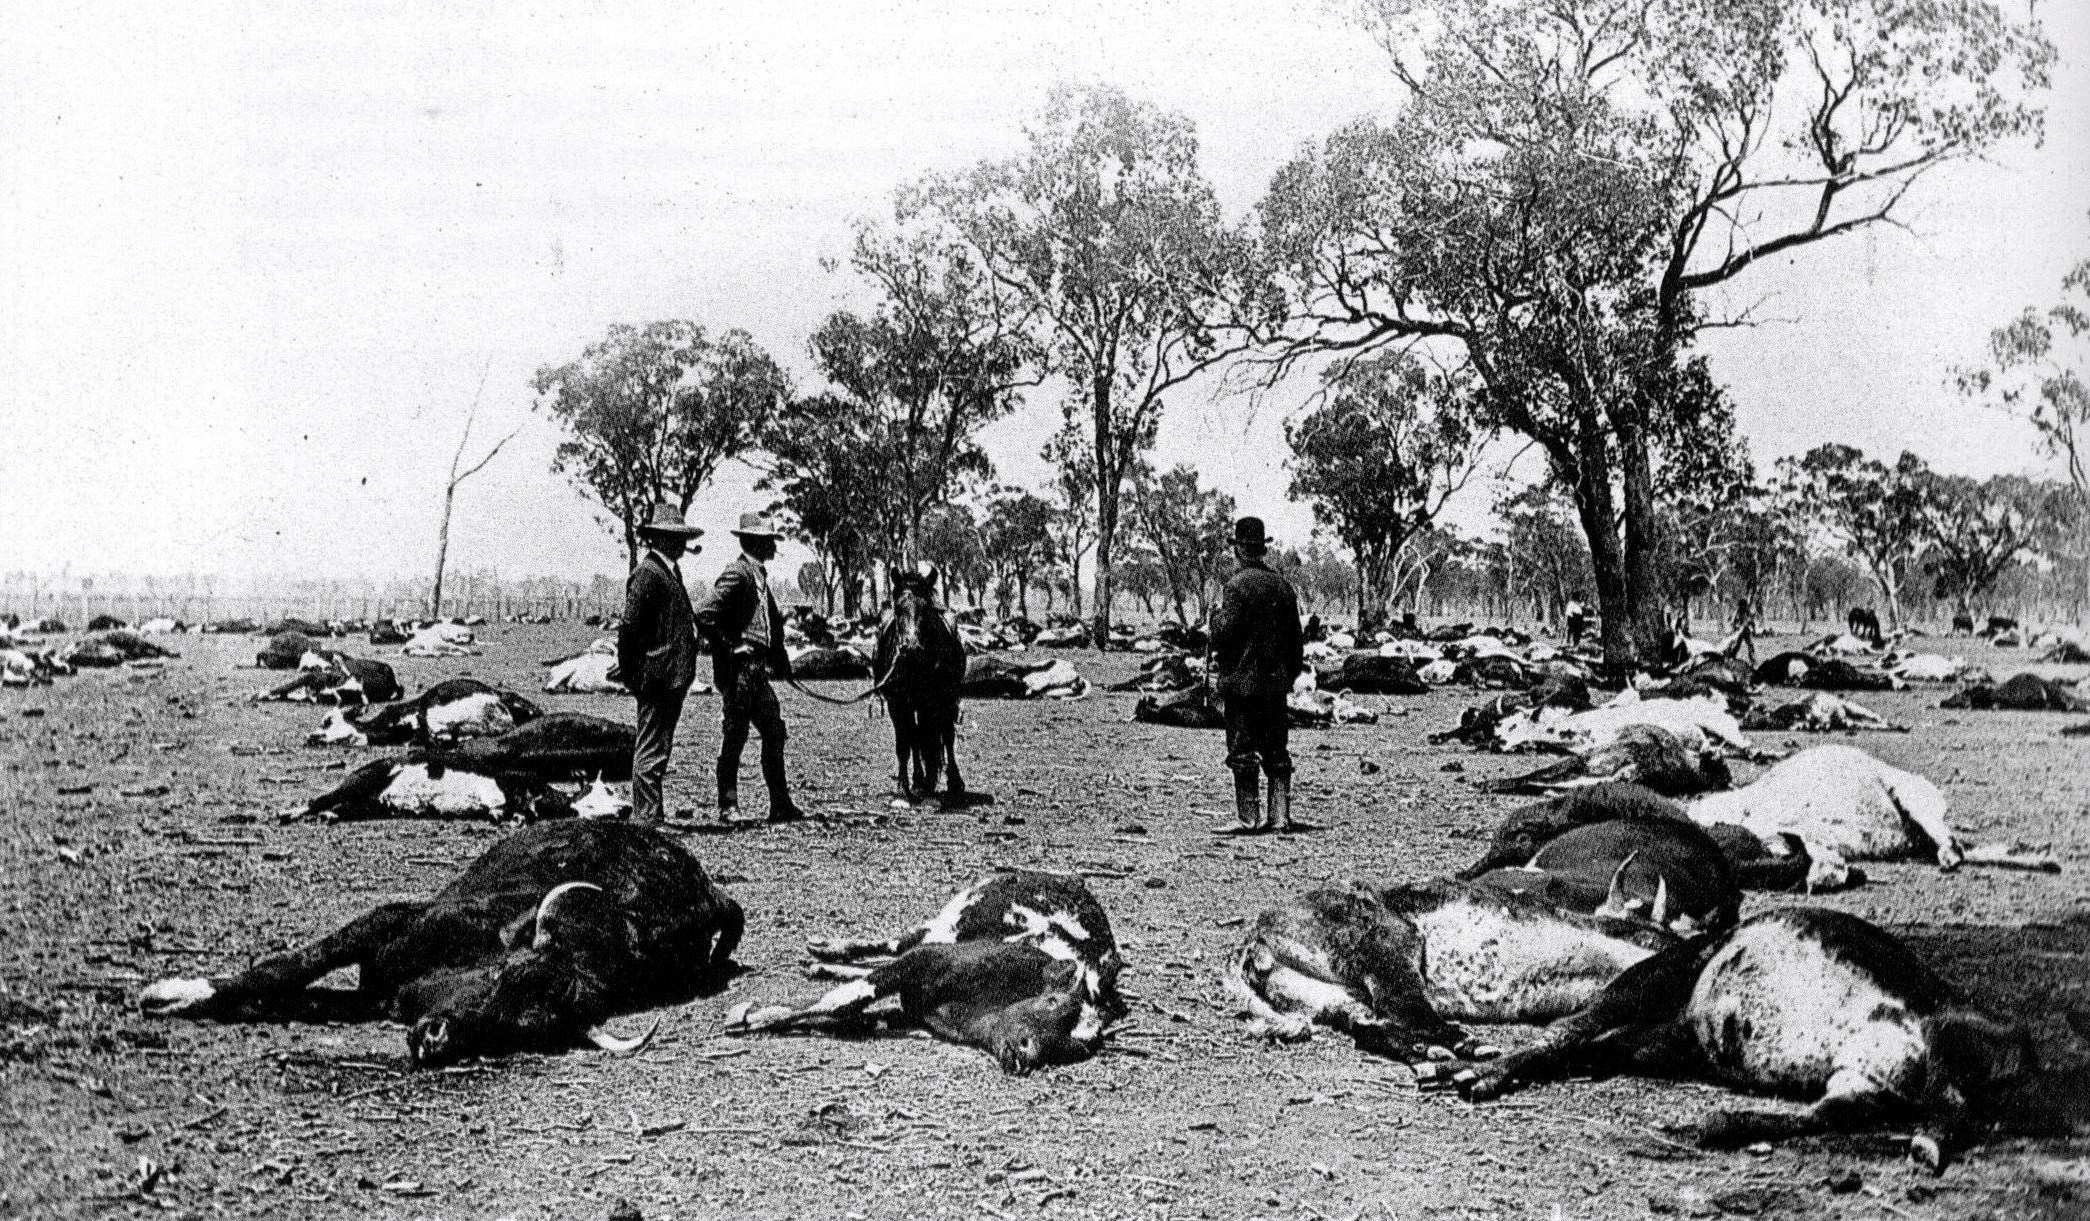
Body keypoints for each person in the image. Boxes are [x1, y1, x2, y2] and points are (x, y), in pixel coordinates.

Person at [696, 511, 803, 825]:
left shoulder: (759, 577)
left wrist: (779, 661)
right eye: (769, 541)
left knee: (774, 731)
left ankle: (780, 804)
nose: (773, 546)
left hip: (757, 669)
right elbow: (704, 615)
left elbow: (771, 626)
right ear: (755, 542)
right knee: (735, 734)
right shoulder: (737, 573)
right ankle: (728, 805)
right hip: (739, 671)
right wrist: (730, 646)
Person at [1208, 517, 1305, 835]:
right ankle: (1280, 817)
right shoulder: (1282, 586)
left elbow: (1225, 634)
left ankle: (1248, 818)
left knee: (1242, 750)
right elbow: (1296, 641)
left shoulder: (1235, 587)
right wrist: (1286, 678)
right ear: (1261, 549)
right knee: (1277, 751)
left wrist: (1215, 619)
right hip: (1275, 686)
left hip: (1243, 687)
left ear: (1238, 549)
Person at [615, 503, 703, 825]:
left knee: (659, 747)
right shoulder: (648, 574)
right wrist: (635, 677)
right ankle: (646, 818)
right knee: (651, 747)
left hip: (671, 676)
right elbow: (630, 630)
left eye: (681, 537)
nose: (681, 543)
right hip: (657, 678)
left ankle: (653, 814)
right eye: (673, 537)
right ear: (659, 539)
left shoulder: (668, 571)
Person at [1727, 596, 1759, 665]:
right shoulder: (1737, 613)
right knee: (1737, 646)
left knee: (1750, 645)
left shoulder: (1747, 613)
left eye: (1744, 605)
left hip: (1746, 631)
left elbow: (1752, 622)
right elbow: (1733, 623)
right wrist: (1736, 627)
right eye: (1742, 605)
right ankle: (1731, 657)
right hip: (1739, 632)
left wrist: (1754, 630)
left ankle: (1752, 660)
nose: (1744, 607)